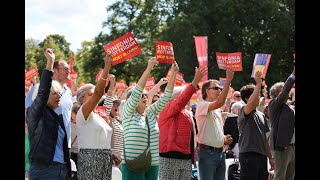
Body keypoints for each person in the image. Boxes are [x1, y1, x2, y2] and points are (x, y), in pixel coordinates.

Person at [121, 58, 179, 180]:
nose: (144, 97)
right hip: (133, 163)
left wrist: (174, 74)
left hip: (152, 164)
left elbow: (167, 96)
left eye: (145, 95)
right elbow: (137, 91)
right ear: (131, 100)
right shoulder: (128, 112)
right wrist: (148, 69)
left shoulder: (150, 113)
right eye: (141, 95)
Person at [26, 48, 71, 179]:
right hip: (45, 169)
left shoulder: (58, 117)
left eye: (59, 93)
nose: (59, 96)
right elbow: (43, 91)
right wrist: (50, 63)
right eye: (54, 93)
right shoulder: (36, 113)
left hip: (60, 169)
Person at [158, 66, 207, 180]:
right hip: (169, 157)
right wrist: (194, 82)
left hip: (185, 157)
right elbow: (181, 101)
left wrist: (192, 157)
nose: (187, 98)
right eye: (184, 95)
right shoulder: (166, 108)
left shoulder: (187, 113)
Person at [75, 54, 113, 180]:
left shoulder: (99, 116)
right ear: (82, 98)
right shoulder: (82, 112)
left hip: (105, 160)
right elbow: (99, 92)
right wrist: (107, 67)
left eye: (93, 94)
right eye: (90, 94)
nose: (95, 96)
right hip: (90, 160)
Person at [195, 68, 234, 180]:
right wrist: (228, 81)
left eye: (220, 88)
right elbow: (220, 102)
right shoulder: (202, 105)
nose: (219, 91)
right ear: (207, 91)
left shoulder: (217, 109)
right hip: (208, 154)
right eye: (216, 88)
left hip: (220, 153)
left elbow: (212, 131)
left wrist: (223, 138)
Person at [237, 71, 274, 180]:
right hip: (248, 154)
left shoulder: (261, 115)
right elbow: (250, 105)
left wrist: (270, 158)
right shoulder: (244, 110)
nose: (259, 97)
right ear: (248, 99)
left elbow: (265, 139)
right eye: (256, 95)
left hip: (261, 156)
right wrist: (258, 84)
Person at [268, 66, 295, 180]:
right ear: (276, 94)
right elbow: (285, 92)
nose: (286, 91)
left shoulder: (290, 107)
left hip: (293, 148)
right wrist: (293, 75)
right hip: (282, 149)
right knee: (279, 178)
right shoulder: (274, 105)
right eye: (282, 89)